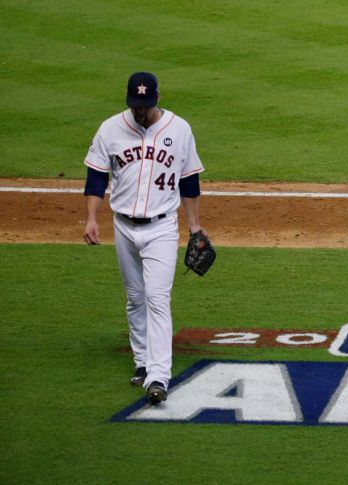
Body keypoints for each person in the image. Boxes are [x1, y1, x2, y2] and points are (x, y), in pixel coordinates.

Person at [83, 72, 207, 404]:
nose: (141, 112)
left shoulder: (179, 130)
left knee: (156, 297)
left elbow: (189, 181)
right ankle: (142, 362)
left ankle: (158, 376)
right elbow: (96, 177)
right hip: (122, 224)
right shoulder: (110, 129)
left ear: (157, 98)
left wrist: (194, 227)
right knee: (135, 296)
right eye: (136, 106)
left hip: (162, 228)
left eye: (146, 106)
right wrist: (92, 218)